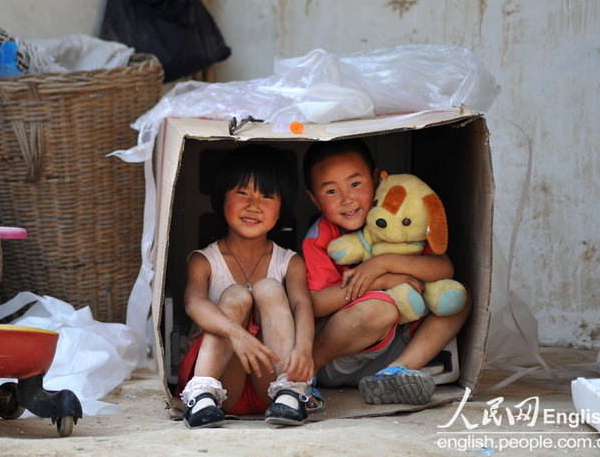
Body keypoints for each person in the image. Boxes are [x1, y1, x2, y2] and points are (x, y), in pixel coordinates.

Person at [301, 138, 471, 405]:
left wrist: (383, 262)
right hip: (335, 359)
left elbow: (443, 267)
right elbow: (314, 303)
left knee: (460, 299)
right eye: (331, 191)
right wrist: (380, 281)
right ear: (314, 199)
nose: (347, 199)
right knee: (380, 308)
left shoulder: (397, 219)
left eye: (356, 184)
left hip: (388, 350)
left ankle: (396, 373)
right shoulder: (320, 238)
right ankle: (306, 373)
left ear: (377, 179)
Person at [177, 145, 314, 428]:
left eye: (267, 196)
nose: (254, 205)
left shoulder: (289, 262)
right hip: (220, 381)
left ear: (281, 209)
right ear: (221, 198)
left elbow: (303, 305)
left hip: (271, 385)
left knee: (269, 288)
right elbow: (194, 303)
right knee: (236, 295)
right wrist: (236, 334)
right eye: (243, 193)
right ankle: (201, 396)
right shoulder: (204, 260)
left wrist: (303, 350)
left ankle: (290, 392)